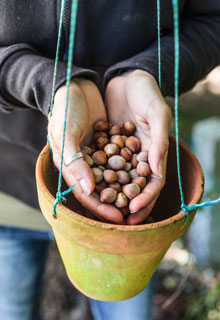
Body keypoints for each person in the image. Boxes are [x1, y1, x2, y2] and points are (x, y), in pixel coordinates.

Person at [0, 0, 219, 319]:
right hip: (10, 189)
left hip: (125, 230)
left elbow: (212, 21)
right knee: (11, 309)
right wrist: (48, 83)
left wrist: (149, 71)